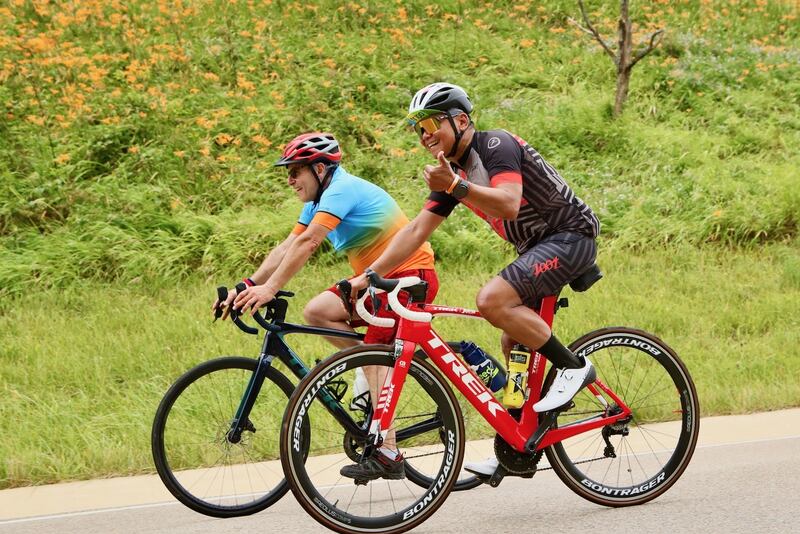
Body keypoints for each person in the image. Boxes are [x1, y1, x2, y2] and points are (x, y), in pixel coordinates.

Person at [348, 83, 601, 477]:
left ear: (461, 120)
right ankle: (518, 441)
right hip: (538, 247)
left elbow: (509, 203)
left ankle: (573, 367)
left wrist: (453, 185)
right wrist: (368, 276)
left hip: (569, 236)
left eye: (430, 123)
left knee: (492, 301)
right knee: (512, 339)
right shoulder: (457, 174)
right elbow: (416, 231)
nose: (424, 134)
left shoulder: (495, 145)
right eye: (418, 129)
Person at [214, 132, 439, 479]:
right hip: (372, 282)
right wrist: (249, 284)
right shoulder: (316, 201)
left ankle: (388, 451)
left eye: (295, 172)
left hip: (406, 277)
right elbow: (288, 244)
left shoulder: (341, 189)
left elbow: (309, 242)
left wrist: (272, 289)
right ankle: (370, 371)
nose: (289, 180)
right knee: (318, 311)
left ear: (320, 169)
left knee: (376, 352)